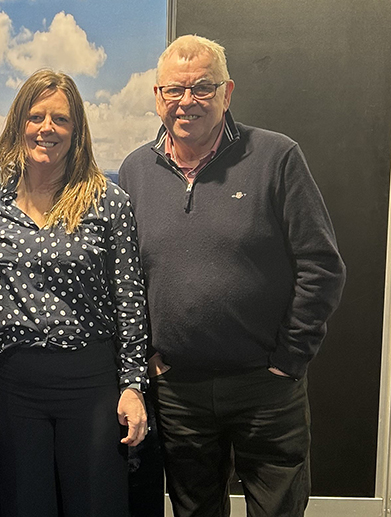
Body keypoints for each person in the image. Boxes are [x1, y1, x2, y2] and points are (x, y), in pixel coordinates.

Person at [117, 35, 346, 517]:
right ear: (157, 96)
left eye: (202, 87)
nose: (187, 101)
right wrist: (150, 358)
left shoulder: (276, 157)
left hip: (266, 387)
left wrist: (290, 357)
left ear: (228, 92)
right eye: (175, 90)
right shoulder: (136, 170)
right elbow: (127, 278)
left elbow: (321, 265)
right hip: (179, 391)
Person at [0, 69, 149, 517]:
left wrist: (134, 386)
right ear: (18, 125)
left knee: (97, 506)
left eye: (60, 120)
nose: (47, 128)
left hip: (92, 384)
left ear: (76, 131)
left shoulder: (109, 203)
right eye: (36, 116)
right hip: (14, 386)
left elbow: (130, 304)